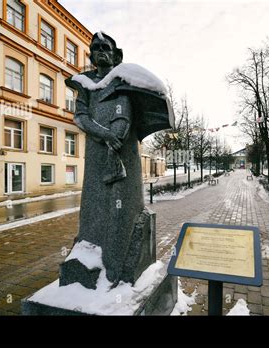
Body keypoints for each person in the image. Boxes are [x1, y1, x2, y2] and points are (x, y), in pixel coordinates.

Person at [64, 32, 173, 285]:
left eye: (106, 47)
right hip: (97, 154)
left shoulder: (124, 82)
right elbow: (79, 117)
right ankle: (88, 249)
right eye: (96, 47)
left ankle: (115, 263)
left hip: (124, 155)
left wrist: (117, 136)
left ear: (116, 54)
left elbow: (122, 114)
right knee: (93, 201)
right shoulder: (86, 84)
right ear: (91, 55)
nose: (101, 50)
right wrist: (104, 135)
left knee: (119, 206)